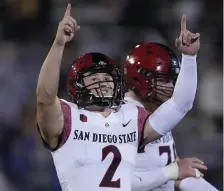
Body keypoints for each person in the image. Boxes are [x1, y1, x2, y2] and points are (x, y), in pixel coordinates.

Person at [36, 4, 205, 190]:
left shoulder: (131, 115)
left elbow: (180, 106)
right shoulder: (68, 117)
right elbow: (45, 98)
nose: (103, 82)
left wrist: (189, 58)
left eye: (107, 78)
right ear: (77, 85)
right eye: (94, 78)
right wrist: (59, 44)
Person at [124, 18, 218, 191]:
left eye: (172, 81)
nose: (171, 87)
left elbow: (178, 175)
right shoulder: (121, 118)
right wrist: (172, 171)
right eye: (163, 81)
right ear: (141, 78)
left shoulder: (156, 112)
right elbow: (113, 183)